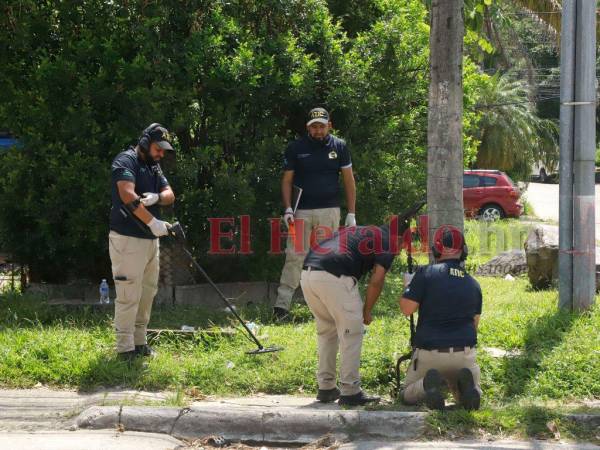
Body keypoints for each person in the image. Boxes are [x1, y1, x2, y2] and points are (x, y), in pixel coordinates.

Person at [300, 224, 399, 406]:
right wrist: (367, 310)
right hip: (334, 276)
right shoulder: (389, 241)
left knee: (327, 332)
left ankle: (326, 387)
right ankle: (350, 390)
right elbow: (377, 280)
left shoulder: (359, 231)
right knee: (352, 332)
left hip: (307, 274)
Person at [273, 107, 356, 321]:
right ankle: (281, 307)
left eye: (321, 126)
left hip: (330, 210)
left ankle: (326, 308)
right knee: (295, 256)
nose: (318, 131)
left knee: (326, 259)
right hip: (301, 210)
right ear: (307, 128)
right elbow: (287, 180)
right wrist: (288, 208)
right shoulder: (296, 148)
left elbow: (349, 180)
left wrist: (351, 212)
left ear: (330, 125)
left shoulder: (340, 146)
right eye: (314, 127)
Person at [109, 123, 176, 362]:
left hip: (150, 241)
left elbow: (170, 195)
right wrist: (152, 222)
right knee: (129, 294)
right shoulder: (125, 161)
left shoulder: (153, 166)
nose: (161, 154)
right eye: (158, 148)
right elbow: (127, 194)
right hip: (127, 240)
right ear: (146, 142)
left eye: (163, 151)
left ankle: (139, 342)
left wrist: (157, 197)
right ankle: (124, 349)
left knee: (147, 292)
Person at [399, 228, 482, 411]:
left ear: (435, 251)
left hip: (430, 355)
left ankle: (426, 386)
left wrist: (409, 286)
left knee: (406, 394)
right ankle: (467, 388)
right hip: (464, 354)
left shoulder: (425, 274)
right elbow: (474, 326)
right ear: (464, 252)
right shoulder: (473, 283)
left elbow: (407, 309)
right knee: (467, 394)